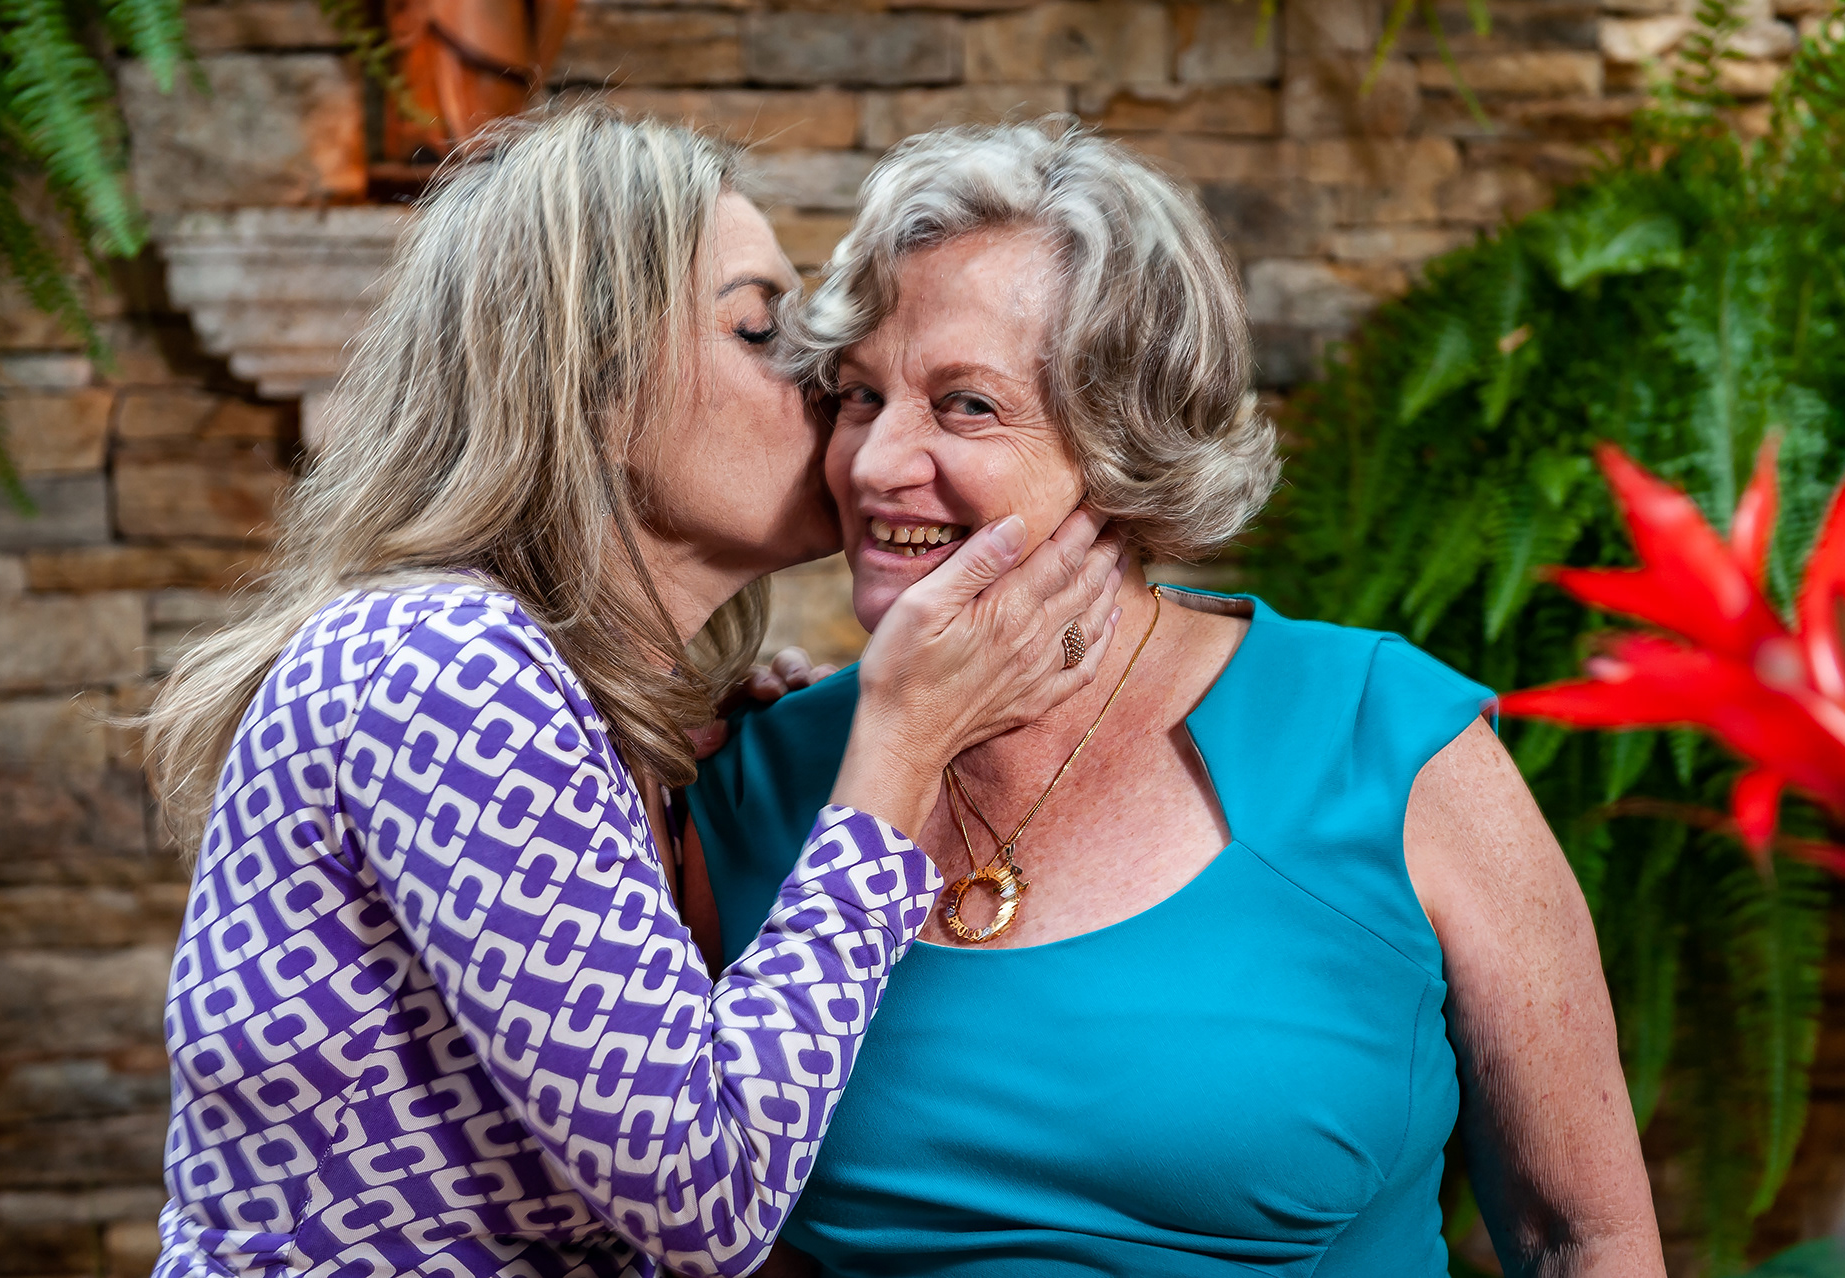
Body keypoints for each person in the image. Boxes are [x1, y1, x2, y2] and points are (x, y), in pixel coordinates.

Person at [138, 106, 1125, 1278]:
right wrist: (900, 748)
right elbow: (707, 1194)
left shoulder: (601, 717)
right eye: (758, 328)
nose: (822, 373)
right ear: (596, 392)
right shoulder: (439, 667)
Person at [684, 122, 1666, 1276]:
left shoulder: (1379, 736)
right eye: (859, 396)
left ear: (1124, 436)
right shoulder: (752, 778)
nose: (874, 462)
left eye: (966, 406)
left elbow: (1582, 1236)